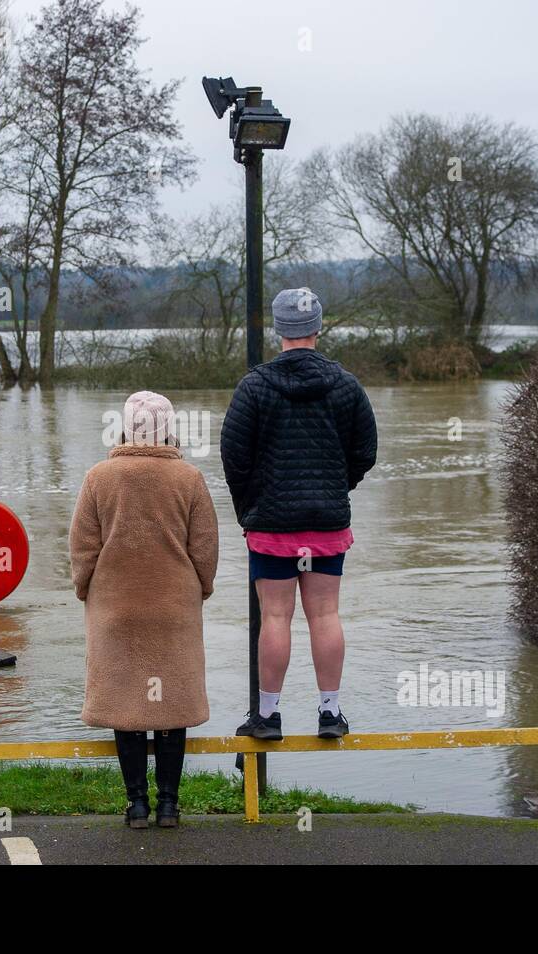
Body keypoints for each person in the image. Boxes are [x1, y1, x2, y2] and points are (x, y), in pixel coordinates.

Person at [220, 287, 377, 740]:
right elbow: (365, 451)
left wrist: (251, 507)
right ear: (318, 327)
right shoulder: (347, 385)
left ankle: (268, 716)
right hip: (327, 524)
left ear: (279, 330)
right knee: (325, 615)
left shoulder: (254, 387)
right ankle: (330, 712)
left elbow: (234, 456)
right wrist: (334, 486)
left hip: (272, 527)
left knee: (275, 617)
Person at [69, 390, 219, 828]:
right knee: (171, 706)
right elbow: (205, 549)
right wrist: (199, 589)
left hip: (116, 610)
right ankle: (169, 805)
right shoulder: (189, 479)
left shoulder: (99, 477)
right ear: (170, 430)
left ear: (123, 427)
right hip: (174, 609)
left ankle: (136, 804)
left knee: (126, 706)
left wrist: (87, 591)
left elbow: (82, 550)